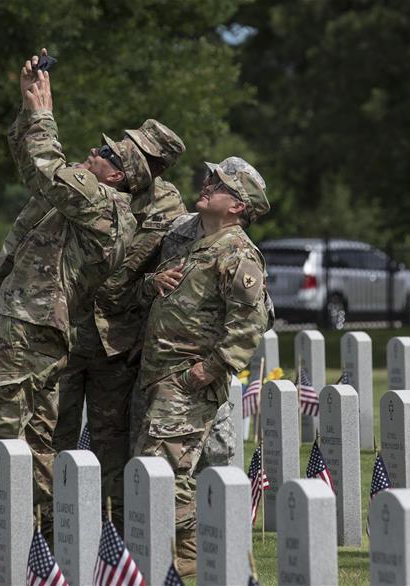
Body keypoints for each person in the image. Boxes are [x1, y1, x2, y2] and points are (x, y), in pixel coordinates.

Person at [0, 53, 145, 535]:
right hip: (29, 325)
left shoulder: (106, 208)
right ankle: (48, 543)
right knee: (32, 439)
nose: (95, 150)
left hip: (34, 329)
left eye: (106, 152)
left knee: (2, 430)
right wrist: (29, 106)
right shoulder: (79, 200)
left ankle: (25, 542)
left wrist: (44, 114)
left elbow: (46, 166)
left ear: (118, 176)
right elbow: (32, 165)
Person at [133, 157, 272, 576]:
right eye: (210, 178)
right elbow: (153, 292)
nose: (208, 185)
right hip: (159, 375)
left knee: (165, 470)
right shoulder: (192, 242)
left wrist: (205, 372)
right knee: (160, 466)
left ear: (237, 206)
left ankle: (189, 554)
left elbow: (248, 325)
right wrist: (151, 283)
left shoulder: (238, 253)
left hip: (187, 380)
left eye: (220, 184)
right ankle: (184, 554)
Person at [52, 119, 187, 531]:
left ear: (155, 166)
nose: (123, 153)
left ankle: (112, 536)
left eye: (136, 151)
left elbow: (173, 274)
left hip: (117, 340)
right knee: (56, 434)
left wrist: (147, 319)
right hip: (68, 329)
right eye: (123, 148)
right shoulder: (89, 181)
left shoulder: (168, 207)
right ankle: (55, 533)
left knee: (112, 442)